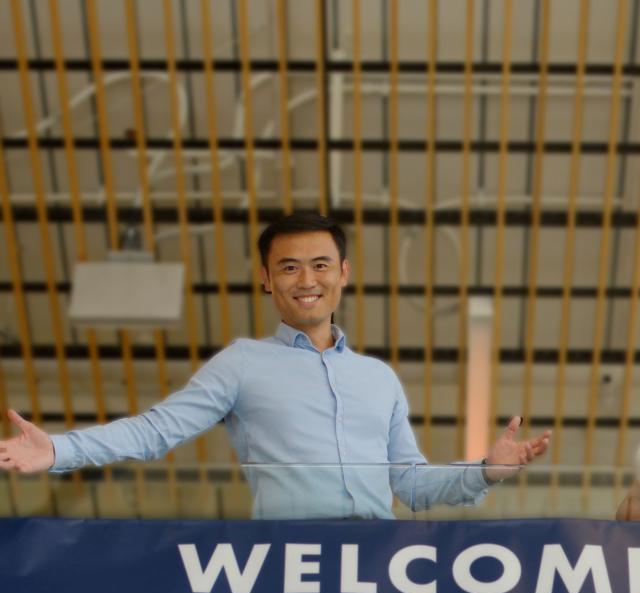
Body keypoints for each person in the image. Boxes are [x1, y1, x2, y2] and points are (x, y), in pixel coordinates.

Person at [0, 212, 550, 518]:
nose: (306, 280)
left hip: (378, 565)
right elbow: (156, 431)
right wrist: (59, 451)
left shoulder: (378, 379)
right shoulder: (241, 364)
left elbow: (408, 483)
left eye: (319, 265)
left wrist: (484, 470)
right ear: (266, 278)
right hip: (286, 564)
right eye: (288, 267)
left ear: (344, 273)